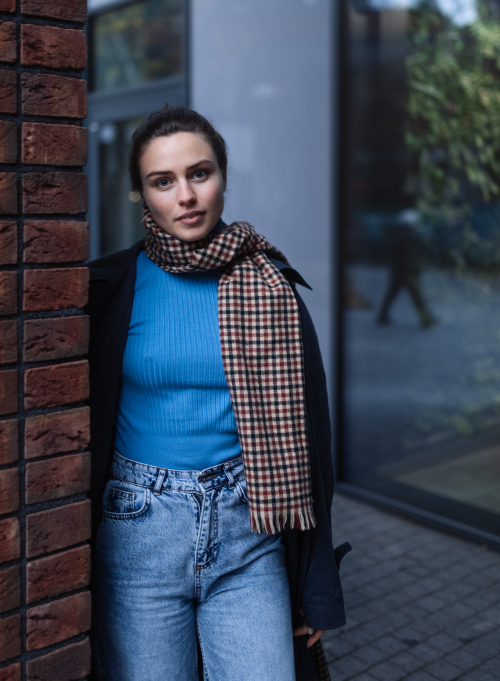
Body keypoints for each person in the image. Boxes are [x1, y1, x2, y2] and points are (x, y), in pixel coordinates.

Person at [87, 105, 348, 681]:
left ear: (223, 177)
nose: (186, 195)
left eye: (199, 173)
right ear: (141, 193)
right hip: (138, 532)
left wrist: (316, 582)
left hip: (248, 530)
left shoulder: (273, 286)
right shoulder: (107, 290)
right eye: (163, 181)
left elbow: (313, 441)